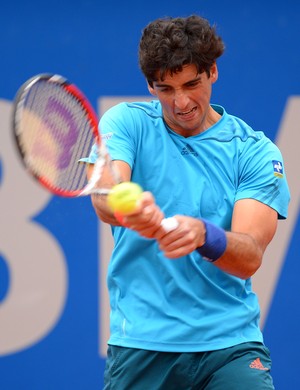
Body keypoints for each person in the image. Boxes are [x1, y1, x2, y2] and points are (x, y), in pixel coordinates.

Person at [85, 15, 290, 389]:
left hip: (230, 346)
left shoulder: (254, 152)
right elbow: (103, 189)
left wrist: (203, 235)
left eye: (191, 84)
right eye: (165, 89)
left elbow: (250, 257)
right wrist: (125, 207)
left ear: (212, 72)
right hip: (142, 345)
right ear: (150, 85)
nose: (181, 102)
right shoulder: (127, 123)